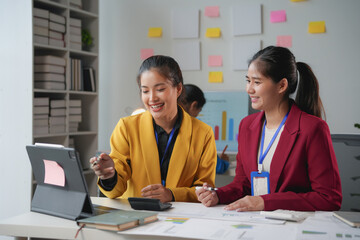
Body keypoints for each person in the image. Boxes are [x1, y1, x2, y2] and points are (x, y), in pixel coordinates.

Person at [196, 46, 342, 211]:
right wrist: (218, 194)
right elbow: (243, 184)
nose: (249, 89)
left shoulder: (312, 128)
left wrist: (266, 202)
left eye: (257, 82)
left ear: (281, 86)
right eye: (248, 80)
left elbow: (329, 198)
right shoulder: (246, 125)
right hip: (256, 224)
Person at [91, 55, 217, 203]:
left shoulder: (203, 133)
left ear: (178, 89)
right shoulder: (126, 127)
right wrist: (109, 176)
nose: (152, 98)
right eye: (145, 91)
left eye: (160, 89)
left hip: (181, 219)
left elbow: (204, 189)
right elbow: (117, 186)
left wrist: (172, 194)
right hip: (136, 218)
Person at [179, 84, 230, 174]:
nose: (197, 115)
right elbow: (218, 167)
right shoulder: (197, 131)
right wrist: (224, 162)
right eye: (199, 110)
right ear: (194, 105)